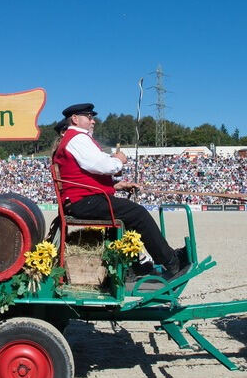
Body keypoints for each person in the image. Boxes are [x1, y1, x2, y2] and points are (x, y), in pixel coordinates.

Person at [52, 102, 191, 282]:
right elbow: (99, 165)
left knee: (130, 215)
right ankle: (171, 262)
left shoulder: (76, 139)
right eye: (89, 117)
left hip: (82, 199)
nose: (93, 121)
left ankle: (135, 266)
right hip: (83, 201)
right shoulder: (77, 138)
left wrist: (116, 185)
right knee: (138, 214)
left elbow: (84, 174)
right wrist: (118, 161)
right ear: (75, 119)